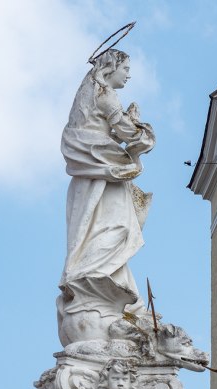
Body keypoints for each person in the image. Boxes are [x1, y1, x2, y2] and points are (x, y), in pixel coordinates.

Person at [57, 49, 156, 346]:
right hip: (104, 180)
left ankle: (124, 301)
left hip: (93, 179)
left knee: (101, 234)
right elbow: (131, 135)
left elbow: (98, 134)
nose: (128, 74)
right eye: (125, 67)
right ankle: (99, 288)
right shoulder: (105, 95)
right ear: (110, 67)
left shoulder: (88, 93)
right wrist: (143, 130)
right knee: (116, 231)